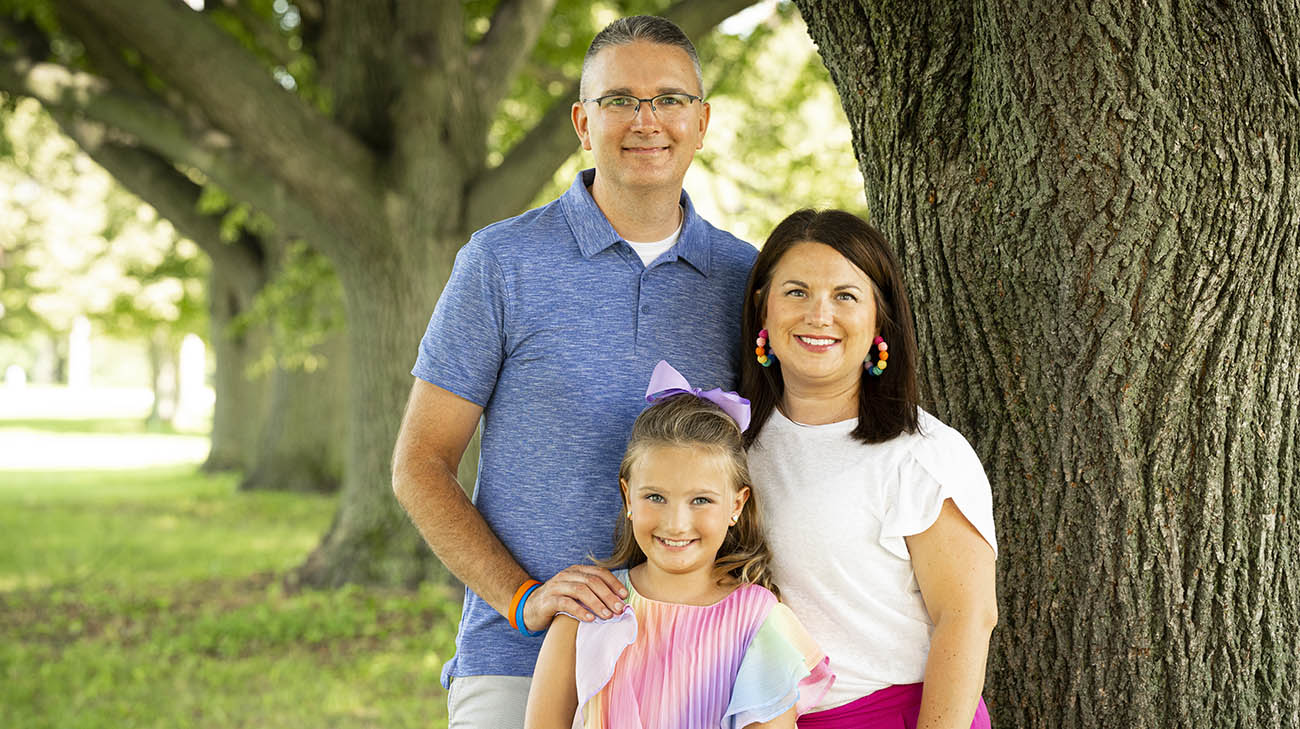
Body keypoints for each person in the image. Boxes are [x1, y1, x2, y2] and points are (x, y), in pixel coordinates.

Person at [390, 15, 758, 726]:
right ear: (583, 122)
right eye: (619, 99)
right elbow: (419, 463)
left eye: (670, 99)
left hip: (695, 660)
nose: (646, 119)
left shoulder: (745, 279)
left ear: (703, 121)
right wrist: (523, 596)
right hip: (518, 663)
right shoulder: (500, 263)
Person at [739, 210, 998, 728]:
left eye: (845, 296)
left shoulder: (922, 454)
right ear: (762, 309)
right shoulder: (733, 446)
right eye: (796, 292)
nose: (818, 314)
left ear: (879, 319)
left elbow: (967, 618)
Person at [524, 361, 833, 729]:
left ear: (736, 504)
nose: (676, 523)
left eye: (700, 500)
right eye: (655, 497)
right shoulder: (588, 609)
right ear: (628, 497)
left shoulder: (758, 621)